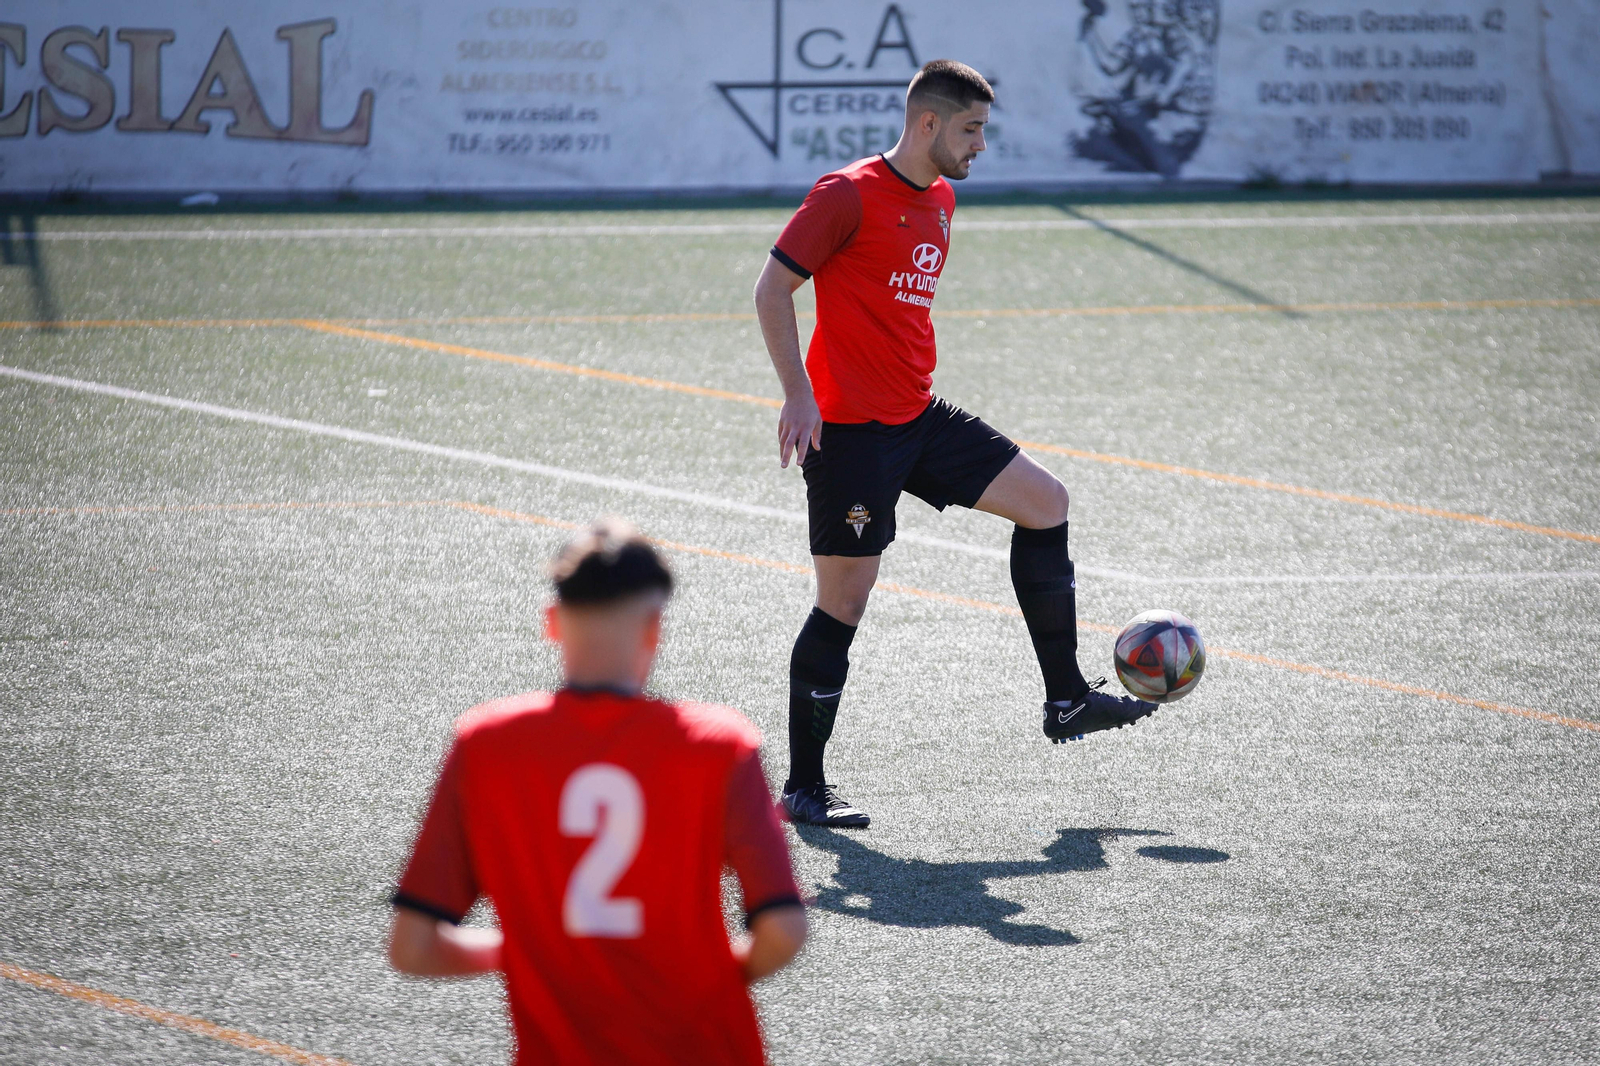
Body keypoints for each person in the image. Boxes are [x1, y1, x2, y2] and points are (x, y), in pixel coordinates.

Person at [752, 59, 1160, 829]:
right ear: (929, 123)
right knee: (845, 601)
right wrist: (799, 397)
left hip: (919, 418)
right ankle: (805, 787)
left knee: (1046, 504)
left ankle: (1066, 697)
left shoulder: (940, 198)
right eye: (971, 130)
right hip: (850, 436)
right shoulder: (845, 195)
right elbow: (773, 289)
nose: (980, 145)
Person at [387, 518, 807, 1065]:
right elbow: (784, 931)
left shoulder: (486, 743)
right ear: (654, 626)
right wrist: (708, 977)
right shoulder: (720, 744)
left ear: (552, 623)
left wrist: (536, 951)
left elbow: (413, 947)